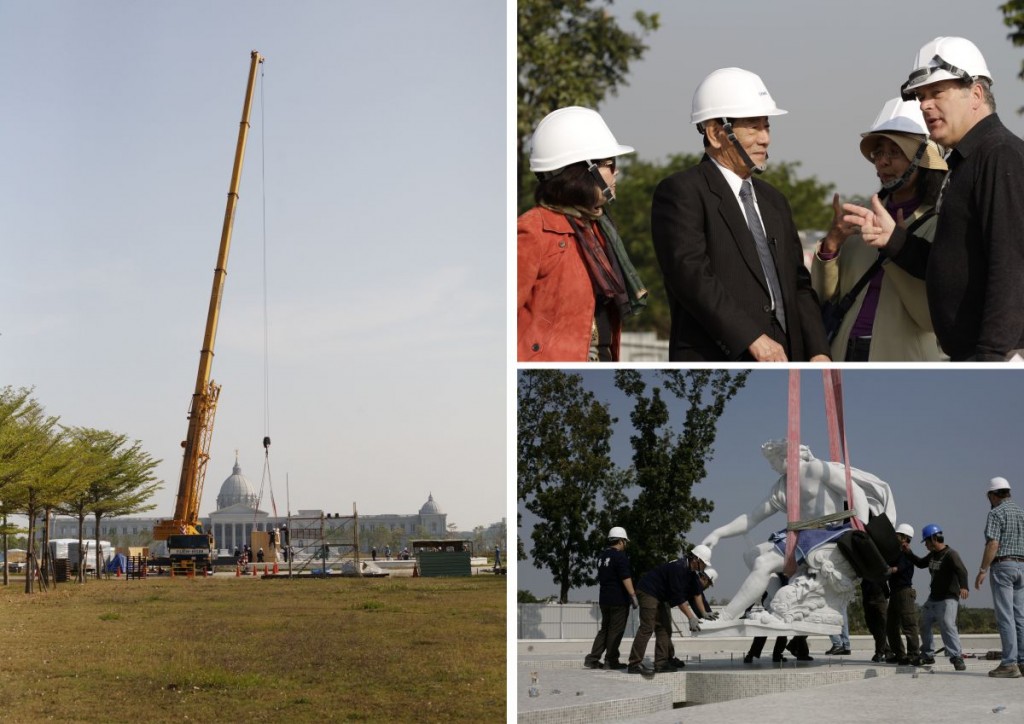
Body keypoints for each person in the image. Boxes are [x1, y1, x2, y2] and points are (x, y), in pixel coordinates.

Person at [843, 37, 1024, 360]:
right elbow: (957, 268)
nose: (925, 105)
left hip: (996, 357)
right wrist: (895, 241)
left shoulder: (999, 157)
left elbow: (1011, 268)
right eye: (921, 96)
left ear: (977, 94)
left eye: (937, 93)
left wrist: (990, 359)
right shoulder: (968, 162)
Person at [651, 67, 830, 362]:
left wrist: (819, 350)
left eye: (767, 126)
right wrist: (752, 338)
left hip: (788, 362)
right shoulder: (682, 192)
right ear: (716, 133)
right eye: (753, 127)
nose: (765, 139)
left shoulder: (775, 201)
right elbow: (691, 276)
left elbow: (798, 284)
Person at [811, 97, 947, 361]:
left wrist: (895, 245)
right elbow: (826, 295)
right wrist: (831, 247)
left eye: (895, 152)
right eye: (879, 152)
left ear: (923, 159)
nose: (882, 162)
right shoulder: (860, 216)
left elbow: (930, 318)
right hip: (842, 352)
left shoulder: (941, 223)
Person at [701, 439, 895, 620]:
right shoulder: (782, 487)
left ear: (785, 456)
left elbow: (855, 492)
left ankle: (726, 617)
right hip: (803, 534)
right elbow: (751, 519)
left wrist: (859, 531)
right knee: (751, 555)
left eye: (773, 461)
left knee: (763, 562)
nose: (772, 467)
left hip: (828, 532)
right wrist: (718, 533)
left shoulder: (816, 468)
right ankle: (774, 604)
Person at [518, 106, 647, 361]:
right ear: (582, 172)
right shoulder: (534, 230)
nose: (616, 171)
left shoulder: (598, 231)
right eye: (610, 164)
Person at [626, 545, 708, 674]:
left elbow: (697, 593)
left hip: (660, 596)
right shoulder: (678, 568)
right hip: (648, 591)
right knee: (647, 627)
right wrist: (691, 617)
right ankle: (634, 664)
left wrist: (703, 612)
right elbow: (679, 598)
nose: (704, 567)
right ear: (696, 559)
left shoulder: (691, 572)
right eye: (704, 563)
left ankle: (661, 663)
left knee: (665, 628)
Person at [974, 476, 1024, 678]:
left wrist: (983, 569)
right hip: (1021, 565)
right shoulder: (1021, 512)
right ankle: (1022, 661)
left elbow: (993, 543)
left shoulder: (996, 513)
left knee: (1005, 616)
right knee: (1020, 616)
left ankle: (1009, 663)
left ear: (992, 495)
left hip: (1004, 566)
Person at [907, 523, 969, 671]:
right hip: (933, 597)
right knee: (924, 623)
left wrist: (964, 586)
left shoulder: (950, 554)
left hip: (948, 598)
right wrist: (908, 552)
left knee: (947, 624)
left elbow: (962, 570)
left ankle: (956, 656)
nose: (926, 545)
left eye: (927, 542)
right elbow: (921, 563)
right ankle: (928, 654)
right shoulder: (933, 555)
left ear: (934, 539)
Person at [584, 527, 638, 671]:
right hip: (618, 600)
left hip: (604, 599)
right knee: (616, 630)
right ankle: (611, 660)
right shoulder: (620, 557)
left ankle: (592, 659)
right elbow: (625, 577)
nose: (625, 544)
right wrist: (633, 595)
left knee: (605, 630)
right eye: (625, 541)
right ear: (621, 541)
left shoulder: (602, 557)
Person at [886, 523, 922, 665]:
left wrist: (887, 570)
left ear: (905, 538)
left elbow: (897, 569)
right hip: (895, 592)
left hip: (904, 592)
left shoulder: (907, 554)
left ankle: (913, 654)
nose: (895, 537)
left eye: (898, 535)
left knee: (909, 624)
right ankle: (900, 655)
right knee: (891, 626)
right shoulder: (896, 553)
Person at [861, 578, 890, 662]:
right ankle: (888, 651)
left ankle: (879, 653)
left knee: (881, 629)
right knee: (873, 628)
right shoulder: (864, 577)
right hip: (868, 603)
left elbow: (887, 592)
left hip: (879, 602)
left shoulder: (880, 576)